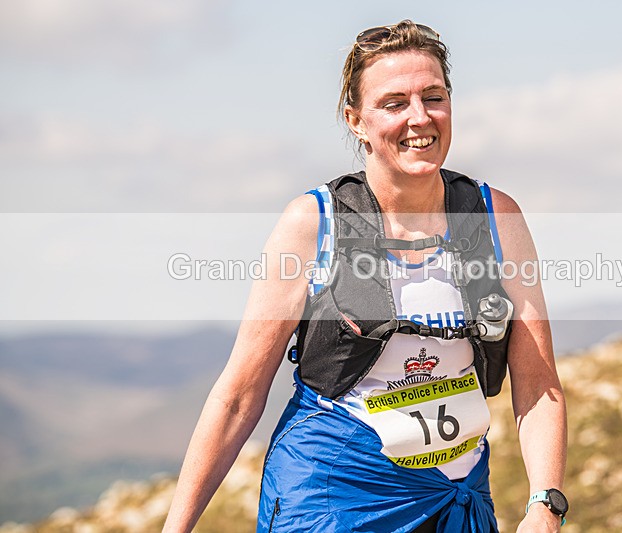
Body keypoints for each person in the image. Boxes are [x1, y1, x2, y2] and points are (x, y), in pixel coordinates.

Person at [163, 20, 567, 533]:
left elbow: (537, 380)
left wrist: (544, 504)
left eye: (434, 97)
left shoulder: (495, 217)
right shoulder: (312, 224)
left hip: (459, 497)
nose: (420, 118)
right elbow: (240, 395)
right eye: (394, 103)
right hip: (334, 496)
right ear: (356, 121)